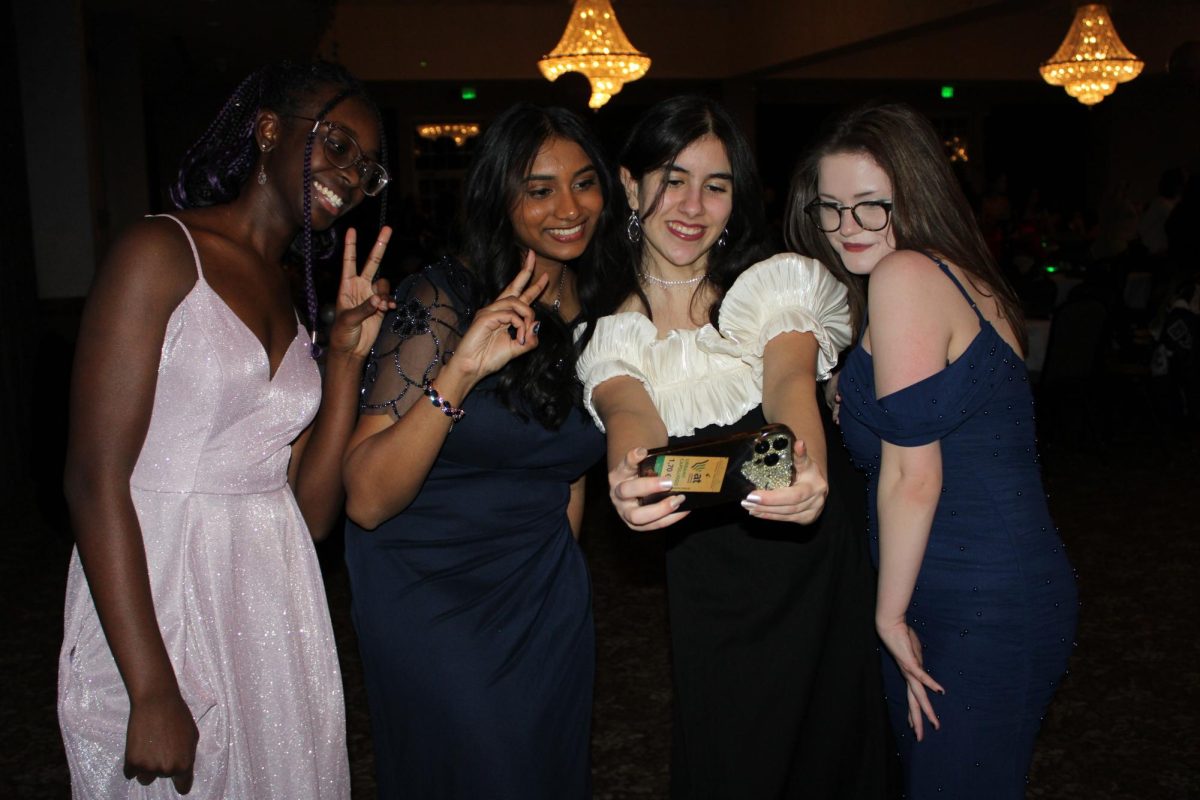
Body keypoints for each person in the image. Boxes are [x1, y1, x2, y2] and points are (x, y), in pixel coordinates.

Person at [58, 61, 394, 798]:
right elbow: (92, 477)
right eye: (337, 145)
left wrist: (340, 361)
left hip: (273, 600)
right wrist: (151, 688)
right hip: (161, 585)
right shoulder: (158, 253)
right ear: (270, 131)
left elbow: (305, 514)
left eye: (366, 169)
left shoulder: (296, 302)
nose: (350, 176)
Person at [578, 95, 889, 799]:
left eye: (716, 185)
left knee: (827, 756)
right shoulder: (612, 326)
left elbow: (787, 387)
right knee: (731, 758)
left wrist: (804, 470)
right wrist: (629, 478)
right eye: (673, 177)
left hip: (811, 567)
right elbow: (629, 411)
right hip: (711, 586)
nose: (692, 205)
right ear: (630, 185)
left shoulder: (770, 288)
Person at [787, 102, 1078, 798]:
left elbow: (914, 476)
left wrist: (886, 616)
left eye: (868, 206)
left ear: (913, 194)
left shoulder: (905, 276)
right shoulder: (952, 272)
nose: (845, 228)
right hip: (984, 580)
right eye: (829, 207)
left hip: (972, 596)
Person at [341, 104, 615, 799]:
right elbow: (367, 499)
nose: (568, 207)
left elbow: (570, 471)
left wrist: (561, 590)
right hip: (431, 592)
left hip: (543, 595)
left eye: (585, 182)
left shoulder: (609, 311)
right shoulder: (440, 299)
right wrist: (460, 368)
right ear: (499, 197)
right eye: (539, 187)